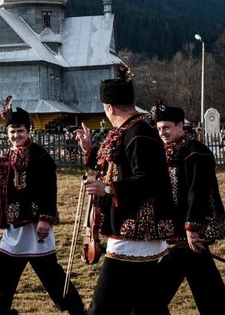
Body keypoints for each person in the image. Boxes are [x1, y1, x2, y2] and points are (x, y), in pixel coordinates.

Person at [74, 66, 175, 315]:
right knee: (146, 306)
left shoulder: (139, 134)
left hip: (135, 230)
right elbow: (119, 164)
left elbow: (148, 179)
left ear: (109, 107)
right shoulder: (131, 131)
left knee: (103, 306)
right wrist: (90, 150)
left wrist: (107, 188)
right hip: (132, 231)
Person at [0, 96, 86, 315]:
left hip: (35, 226)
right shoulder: (5, 157)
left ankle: (76, 308)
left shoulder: (41, 157)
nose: (16, 135)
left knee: (50, 273)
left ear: (28, 131)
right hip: (14, 228)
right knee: (3, 270)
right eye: (12, 131)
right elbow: (2, 194)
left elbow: (48, 189)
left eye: (20, 131)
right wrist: (1, 218)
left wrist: (45, 217)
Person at [150, 101, 225, 315]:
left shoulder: (195, 153)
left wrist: (192, 227)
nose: (163, 133)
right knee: (205, 283)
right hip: (178, 233)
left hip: (191, 231)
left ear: (181, 127)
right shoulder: (164, 154)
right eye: (159, 129)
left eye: (167, 127)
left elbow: (197, 193)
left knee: (152, 295)